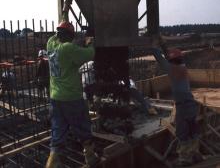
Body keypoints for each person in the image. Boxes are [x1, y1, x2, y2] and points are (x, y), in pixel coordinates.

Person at [45, 18, 98, 167]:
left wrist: (65, 10)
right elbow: (90, 54)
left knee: (58, 128)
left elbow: (61, 27)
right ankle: (90, 157)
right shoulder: (68, 48)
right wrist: (90, 42)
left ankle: (52, 162)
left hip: (55, 97)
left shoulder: (51, 43)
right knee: (82, 125)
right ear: (69, 36)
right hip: (71, 97)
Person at [150, 39, 202, 166]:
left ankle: (185, 159)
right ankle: (195, 154)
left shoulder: (172, 69)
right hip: (191, 105)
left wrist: (153, 47)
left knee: (182, 133)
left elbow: (160, 59)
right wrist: (163, 45)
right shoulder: (182, 67)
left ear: (172, 61)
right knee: (192, 131)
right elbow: (168, 57)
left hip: (183, 106)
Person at [80, 61, 157, 116]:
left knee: (135, 96)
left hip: (91, 85)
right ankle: (95, 112)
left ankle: (147, 109)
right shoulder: (96, 67)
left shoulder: (92, 67)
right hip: (92, 84)